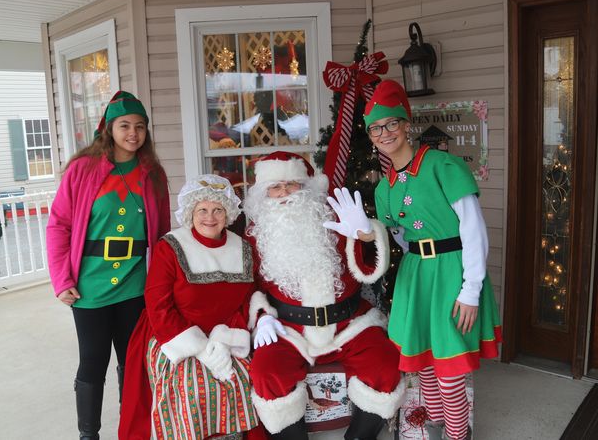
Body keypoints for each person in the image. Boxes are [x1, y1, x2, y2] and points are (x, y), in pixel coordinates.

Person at [358, 79, 502, 440]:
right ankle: (434, 428)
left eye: (391, 123)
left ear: (406, 124)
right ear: (371, 136)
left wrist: (471, 290)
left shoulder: (443, 166)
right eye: (376, 128)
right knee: (424, 367)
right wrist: (366, 232)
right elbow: (399, 237)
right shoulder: (384, 186)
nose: (384, 133)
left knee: (449, 373)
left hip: (451, 273)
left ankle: (457, 435)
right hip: (416, 276)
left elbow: (473, 230)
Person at [244, 151, 405, 440]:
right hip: (289, 329)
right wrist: (262, 317)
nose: (284, 194)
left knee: (386, 364)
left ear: (306, 187)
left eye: (291, 184)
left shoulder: (336, 222)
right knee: (266, 372)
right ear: (264, 194)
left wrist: (366, 233)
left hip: (349, 324)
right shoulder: (255, 236)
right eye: (275, 187)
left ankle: (358, 437)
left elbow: (368, 268)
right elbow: (247, 288)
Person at [46, 91, 171, 439]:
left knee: (133, 365)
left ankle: (132, 430)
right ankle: (89, 435)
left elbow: (161, 234)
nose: (133, 133)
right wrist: (62, 279)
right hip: (90, 284)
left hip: (134, 283)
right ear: (110, 128)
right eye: (125, 125)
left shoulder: (153, 174)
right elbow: (59, 225)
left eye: (140, 127)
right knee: (93, 361)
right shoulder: (83, 169)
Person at [118, 175, 267, 440]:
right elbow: (158, 304)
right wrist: (201, 349)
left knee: (246, 379)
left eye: (218, 210)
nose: (210, 217)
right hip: (173, 334)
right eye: (202, 210)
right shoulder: (171, 247)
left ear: (228, 213)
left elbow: (247, 299)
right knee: (190, 387)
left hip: (227, 335)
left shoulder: (242, 248)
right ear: (190, 212)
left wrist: (225, 341)